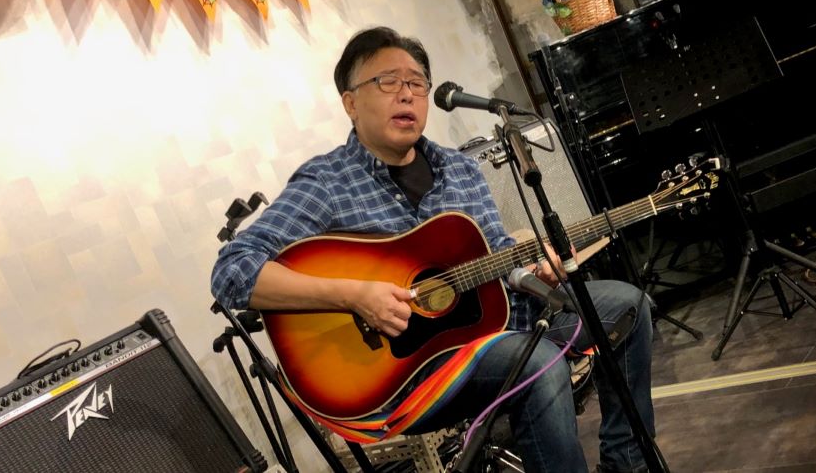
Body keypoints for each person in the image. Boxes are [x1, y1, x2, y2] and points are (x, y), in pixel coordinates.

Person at [211, 26, 655, 473]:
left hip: (501, 325)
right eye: (387, 81)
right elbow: (232, 272)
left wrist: (534, 269)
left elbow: (497, 252)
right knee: (534, 361)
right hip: (410, 375)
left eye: (417, 82)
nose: (406, 94)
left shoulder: (460, 169)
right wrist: (354, 296)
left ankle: (627, 466)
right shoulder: (326, 182)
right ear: (350, 102)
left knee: (627, 306)